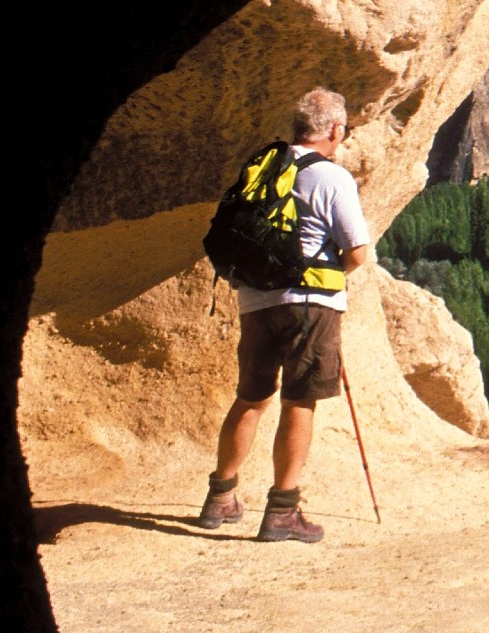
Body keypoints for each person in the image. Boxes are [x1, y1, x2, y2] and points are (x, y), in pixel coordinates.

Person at [197, 87, 375, 543]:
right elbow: (357, 252)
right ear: (335, 130)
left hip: (255, 300)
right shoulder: (332, 178)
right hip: (310, 304)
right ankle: (283, 510)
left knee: (252, 397)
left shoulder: (262, 169)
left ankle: (220, 496)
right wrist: (330, 271)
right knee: (300, 399)